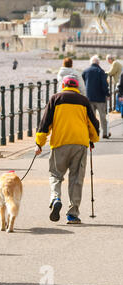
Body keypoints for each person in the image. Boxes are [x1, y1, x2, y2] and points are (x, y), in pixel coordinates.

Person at [35, 76, 100, 225]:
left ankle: (55, 197)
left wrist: (39, 143)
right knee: (76, 179)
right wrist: (93, 139)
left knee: (55, 175)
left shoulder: (55, 99)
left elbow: (45, 124)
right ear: (76, 86)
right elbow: (93, 124)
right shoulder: (83, 101)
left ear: (63, 85)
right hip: (80, 144)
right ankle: (73, 214)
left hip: (60, 143)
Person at [82, 55, 111, 138]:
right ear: (98, 63)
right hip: (100, 98)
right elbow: (104, 84)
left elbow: (83, 82)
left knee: (91, 117)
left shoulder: (85, 71)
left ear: (91, 62)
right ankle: (105, 133)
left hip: (89, 97)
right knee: (102, 116)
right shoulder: (101, 71)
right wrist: (107, 94)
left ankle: (91, 133)